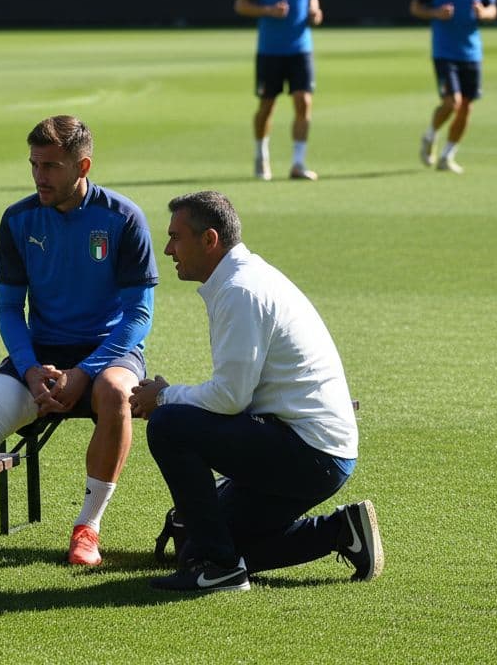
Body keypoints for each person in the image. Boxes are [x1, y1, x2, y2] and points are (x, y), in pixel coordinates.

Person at [0, 115, 157, 567]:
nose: (40, 176)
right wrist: (31, 368)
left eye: (52, 166)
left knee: (116, 392)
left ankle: (87, 530)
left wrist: (85, 373)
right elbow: (7, 309)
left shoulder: (123, 219)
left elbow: (139, 315)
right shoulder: (18, 220)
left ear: (83, 167)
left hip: (108, 352)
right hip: (41, 354)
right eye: (35, 164)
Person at [129, 191, 382, 592]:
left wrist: (162, 395)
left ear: (209, 240)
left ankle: (219, 569)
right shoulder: (241, 278)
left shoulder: (240, 290)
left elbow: (230, 399)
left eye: (176, 237)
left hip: (310, 452)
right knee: (198, 546)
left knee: (168, 424)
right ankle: (338, 531)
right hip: (315, 448)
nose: (168, 249)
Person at [234, 0, 323, 182]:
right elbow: (241, 4)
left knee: (304, 102)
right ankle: (261, 155)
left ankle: (298, 163)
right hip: (270, 50)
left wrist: (316, 12)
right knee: (267, 105)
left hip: (301, 48)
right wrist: (267, 10)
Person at [411, 0, 497, 174]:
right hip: (444, 51)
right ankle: (430, 135)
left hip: (471, 52)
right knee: (452, 102)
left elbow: (493, 9)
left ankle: (448, 155)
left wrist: (484, 13)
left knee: (467, 107)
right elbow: (416, 7)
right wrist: (435, 13)